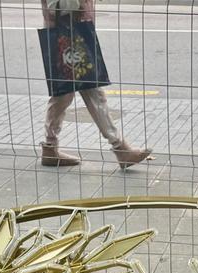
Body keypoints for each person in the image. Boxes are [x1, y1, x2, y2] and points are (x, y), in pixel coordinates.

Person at [39, 0, 151, 169]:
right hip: (67, 27)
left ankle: (50, 147)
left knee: (68, 92)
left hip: (69, 26)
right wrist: (77, 6)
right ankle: (120, 148)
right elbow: (59, 5)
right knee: (72, 92)